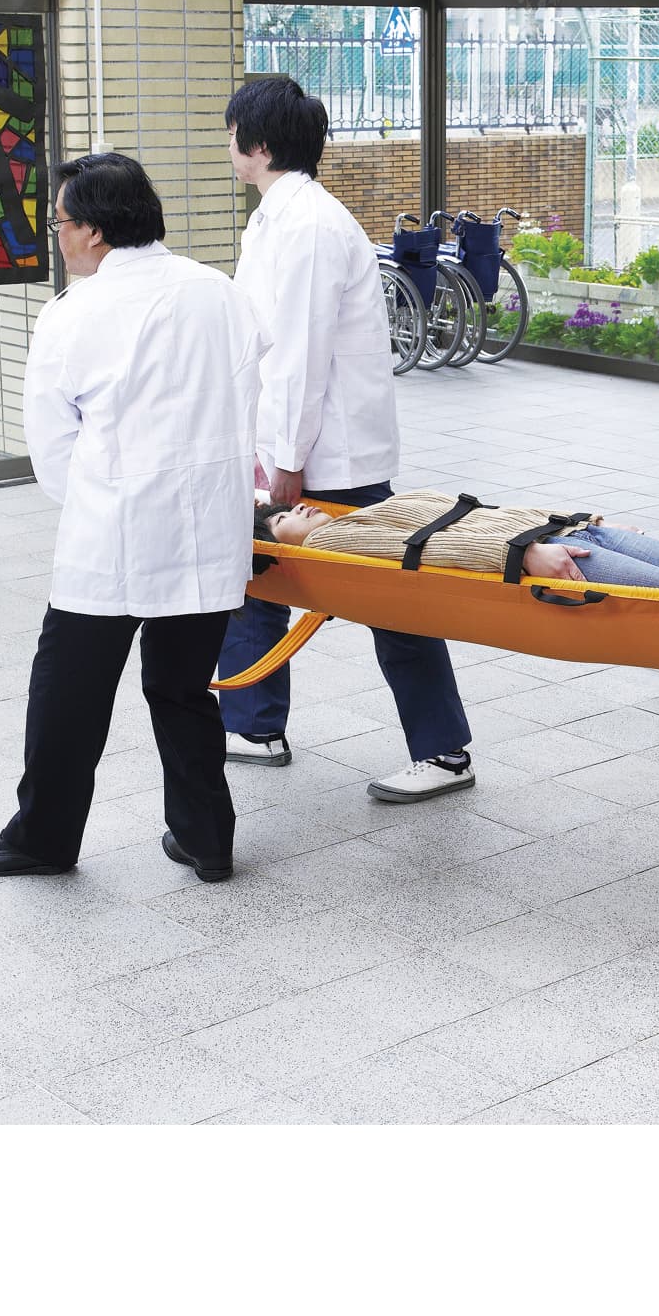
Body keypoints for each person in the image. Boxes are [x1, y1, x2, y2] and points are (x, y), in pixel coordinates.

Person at [0, 153, 267, 884]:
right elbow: (253, 389)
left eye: (59, 222)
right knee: (183, 689)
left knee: (68, 692)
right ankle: (208, 840)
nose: (57, 237)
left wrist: (100, 500)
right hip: (210, 531)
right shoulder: (220, 292)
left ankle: (43, 839)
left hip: (113, 534)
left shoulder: (73, 313)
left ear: (92, 230)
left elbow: (52, 448)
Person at [217, 77, 478, 802]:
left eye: (232, 132)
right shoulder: (279, 217)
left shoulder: (308, 226)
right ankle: (254, 726)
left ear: (258, 144)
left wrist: (288, 461)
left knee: (387, 594)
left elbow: (299, 355)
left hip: (326, 452)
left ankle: (444, 752)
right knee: (257, 576)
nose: (226, 143)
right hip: (296, 443)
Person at [253, 491, 659, 592]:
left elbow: (484, 515)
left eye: (288, 506)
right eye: (281, 520)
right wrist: (524, 555)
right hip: (556, 552)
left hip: (569, 530)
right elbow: (428, 549)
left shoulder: (359, 518)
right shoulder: (333, 543)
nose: (296, 509)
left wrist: (572, 519)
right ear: (282, 547)